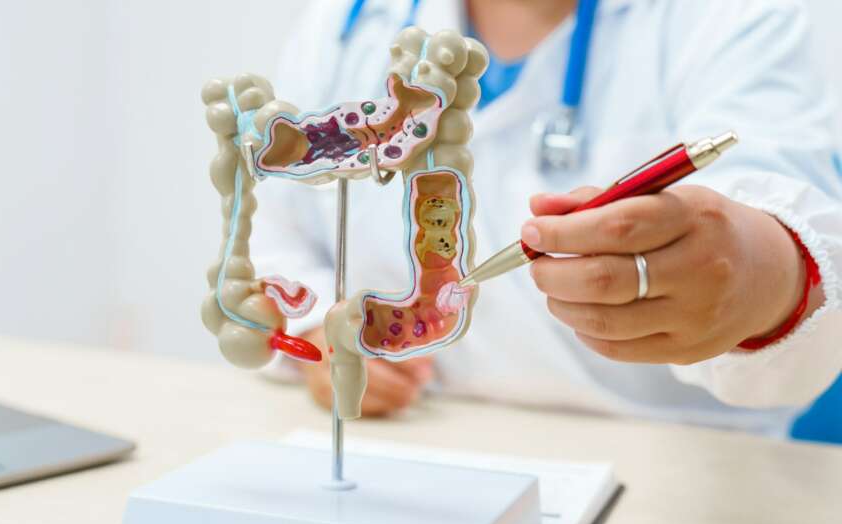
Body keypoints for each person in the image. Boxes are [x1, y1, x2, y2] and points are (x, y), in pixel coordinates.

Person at [250, 0, 842, 436]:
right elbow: (277, 236)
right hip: (419, 431)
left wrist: (763, 276)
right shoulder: (347, 23)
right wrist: (320, 336)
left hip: (669, 460)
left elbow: (791, 213)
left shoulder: (729, 18)